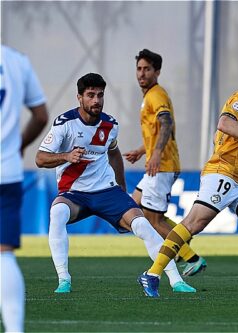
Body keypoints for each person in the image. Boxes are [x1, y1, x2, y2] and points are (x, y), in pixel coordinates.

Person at [137, 57, 238, 297]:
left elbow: (220, 134)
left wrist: (224, 145)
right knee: (193, 223)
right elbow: (224, 122)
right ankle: (152, 274)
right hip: (222, 175)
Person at [35, 73, 195, 294]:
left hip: (107, 191)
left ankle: (176, 281)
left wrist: (121, 186)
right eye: (90, 95)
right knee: (57, 213)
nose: (96, 100)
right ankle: (64, 280)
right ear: (79, 98)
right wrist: (66, 156)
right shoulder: (64, 124)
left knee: (142, 225)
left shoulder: (110, 124)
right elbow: (40, 158)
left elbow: (114, 152)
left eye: (100, 95)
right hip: (74, 194)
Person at [123, 49, 206, 276]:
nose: (141, 73)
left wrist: (157, 153)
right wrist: (144, 151)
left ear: (157, 71)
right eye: (139, 69)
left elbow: (166, 123)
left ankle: (191, 258)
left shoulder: (155, 95)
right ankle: (187, 253)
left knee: (151, 220)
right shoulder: (149, 96)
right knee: (135, 206)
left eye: (147, 69)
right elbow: (157, 130)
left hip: (162, 166)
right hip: (157, 163)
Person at [0, 45, 49, 333]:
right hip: (6, 172)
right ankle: (15, 329)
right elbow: (41, 115)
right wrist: (17, 145)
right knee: (4, 255)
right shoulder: (17, 61)